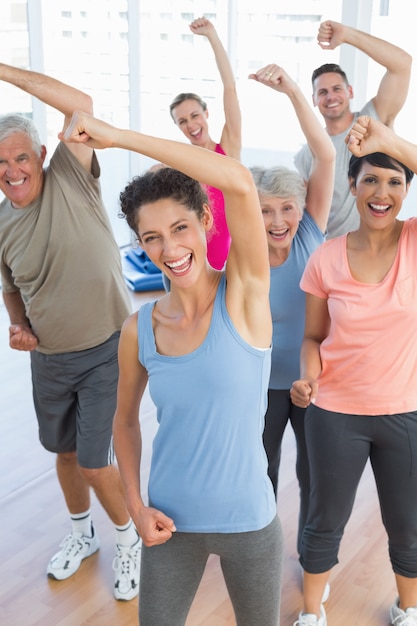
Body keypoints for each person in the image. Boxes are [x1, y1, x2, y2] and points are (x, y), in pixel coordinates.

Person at [61, 109, 283, 626]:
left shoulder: (245, 297)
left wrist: (118, 138)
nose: (170, 248)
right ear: (140, 244)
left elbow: (239, 182)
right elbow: (124, 421)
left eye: (180, 227)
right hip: (167, 525)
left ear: (206, 221)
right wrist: (135, 507)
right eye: (152, 236)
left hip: (249, 523)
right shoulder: (139, 329)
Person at [0, 65, 140, 600]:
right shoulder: (3, 224)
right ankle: (83, 534)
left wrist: (6, 72)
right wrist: (17, 323)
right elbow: (10, 286)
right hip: (49, 358)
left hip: (107, 347)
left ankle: (128, 538)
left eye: (20, 156)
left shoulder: (68, 174)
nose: (13, 170)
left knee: (92, 460)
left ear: (39, 156)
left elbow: (80, 101)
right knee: (62, 455)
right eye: (3, 161)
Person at [291, 115, 417, 626]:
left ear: (407, 189)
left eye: (395, 181)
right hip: (334, 412)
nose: (381, 192)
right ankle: (311, 612)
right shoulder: (325, 258)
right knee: (325, 521)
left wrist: (388, 143)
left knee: (407, 524)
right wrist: (307, 377)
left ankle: (409, 608)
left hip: (404, 412)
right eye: (370, 179)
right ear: (352, 185)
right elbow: (313, 338)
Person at [248, 64, 334, 562]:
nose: (277, 220)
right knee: (260, 470)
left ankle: (311, 553)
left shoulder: (309, 233)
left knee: (315, 475)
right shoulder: (243, 252)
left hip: (314, 382)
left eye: (286, 207)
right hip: (260, 385)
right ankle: (259, 552)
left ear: (302, 208)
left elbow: (324, 153)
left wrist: (292, 91)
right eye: (264, 210)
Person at [294, 19, 412, 239]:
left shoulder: (373, 121)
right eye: (322, 92)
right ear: (314, 99)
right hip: (337, 254)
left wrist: (347, 35)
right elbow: (307, 215)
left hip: (382, 247)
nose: (330, 97)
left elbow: (402, 64)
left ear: (350, 91)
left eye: (337, 88)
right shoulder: (308, 155)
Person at [169, 16, 242, 270]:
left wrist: (212, 37)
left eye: (195, 115)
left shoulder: (228, 150)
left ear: (206, 114)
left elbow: (230, 88)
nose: (191, 125)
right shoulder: (181, 163)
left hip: (229, 265)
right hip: (192, 264)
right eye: (182, 121)